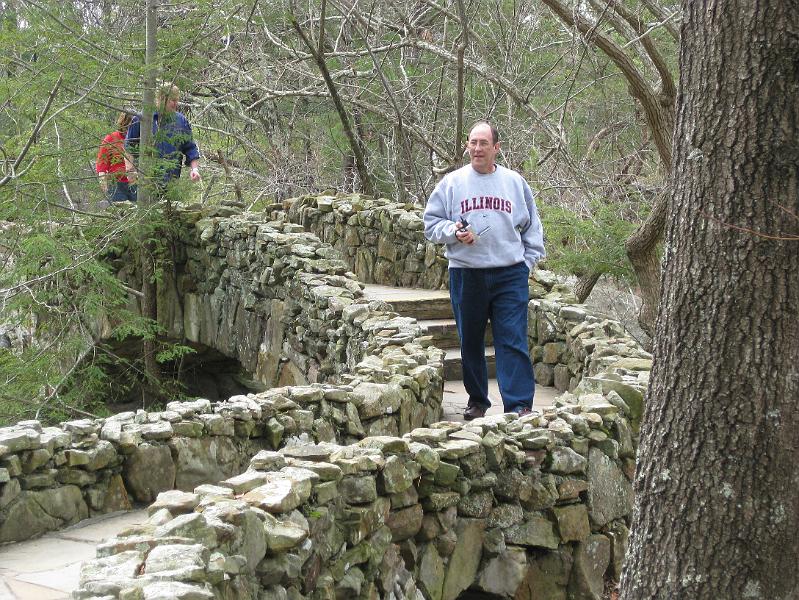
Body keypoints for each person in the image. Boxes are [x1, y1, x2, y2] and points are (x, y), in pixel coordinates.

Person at [423, 121, 545, 420]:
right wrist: (454, 231)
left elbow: (532, 226)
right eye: (472, 142)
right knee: (470, 340)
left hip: (509, 274)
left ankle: (519, 405)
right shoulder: (452, 183)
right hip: (467, 273)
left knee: (512, 339)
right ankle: (477, 400)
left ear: (496, 148)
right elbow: (430, 225)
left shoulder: (514, 182)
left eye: (483, 143)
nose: (477, 148)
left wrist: (526, 263)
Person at [124, 84, 201, 189]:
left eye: (177, 100)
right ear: (161, 98)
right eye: (172, 100)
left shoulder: (181, 121)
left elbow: (190, 148)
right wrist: (130, 171)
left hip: (171, 183)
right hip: (144, 183)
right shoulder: (142, 119)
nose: (175, 104)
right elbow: (129, 147)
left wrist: (194, 170)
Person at [96, 112, 137, 202]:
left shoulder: (138, 139)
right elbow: (102, 162)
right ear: (124, 123)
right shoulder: (111, 138)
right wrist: (102, 179)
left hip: (136, 183)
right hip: (116, 184)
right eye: (130, 124)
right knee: (122, 212)